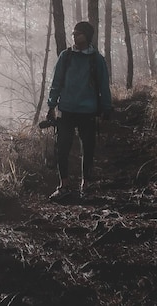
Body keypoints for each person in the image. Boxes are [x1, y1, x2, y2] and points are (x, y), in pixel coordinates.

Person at [46, 21, 112, 202]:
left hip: (88, 111)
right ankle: (64, 185)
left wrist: (106, 107)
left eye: (78, 33)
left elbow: (104, 86)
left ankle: (86, 185)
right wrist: (51, 105)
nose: (74, 35)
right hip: (65, 110)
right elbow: (56, 82)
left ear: (87, 36)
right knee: (62, 148)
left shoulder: (96, 59)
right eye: (74, 33)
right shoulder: (65, 56)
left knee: (88, 148)